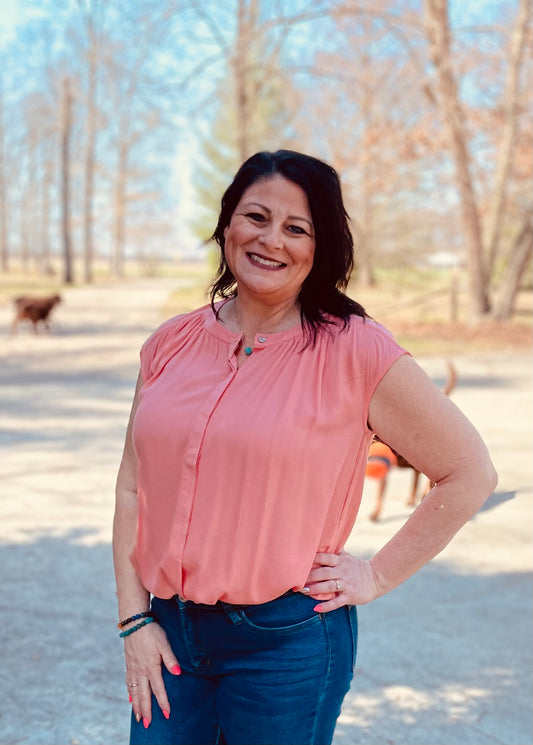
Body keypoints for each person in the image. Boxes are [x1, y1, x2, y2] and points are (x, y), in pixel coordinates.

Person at [112, 149, 497, 745]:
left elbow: (469, 471)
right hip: (167, 630)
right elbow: (133, 486)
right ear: (227, 224)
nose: (272, 240)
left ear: (322, 248)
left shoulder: (356, 350)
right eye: (256, 217)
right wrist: (134, 619)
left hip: (284, 645)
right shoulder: (168, 345)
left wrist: (375, 575)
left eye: (297, 228)